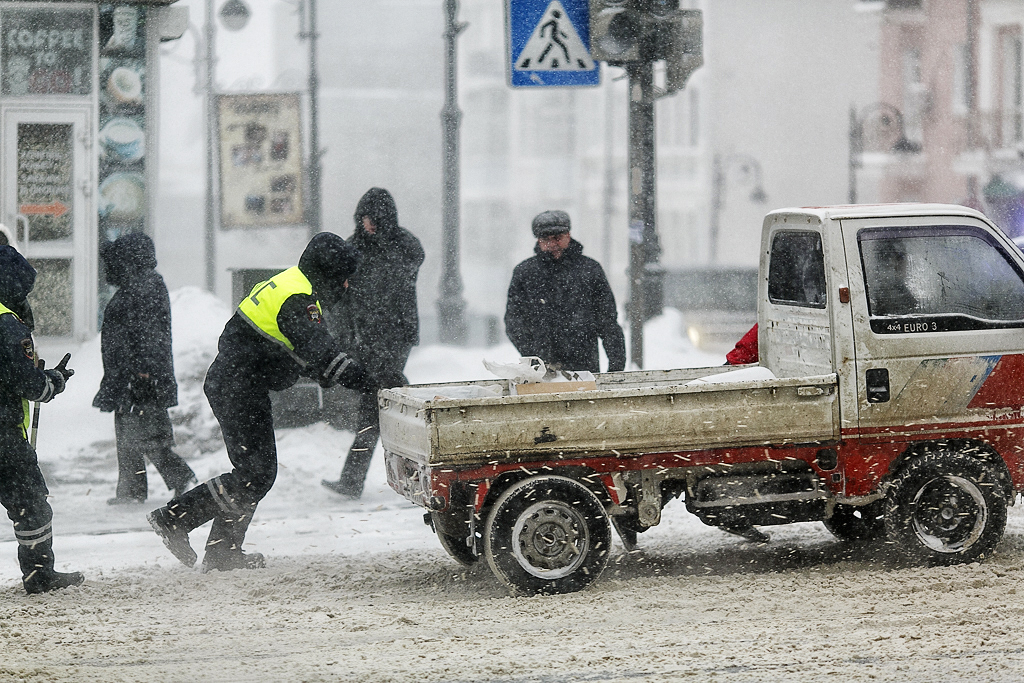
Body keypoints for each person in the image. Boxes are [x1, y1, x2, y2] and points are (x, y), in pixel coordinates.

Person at [147, 233, 377, 572]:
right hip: (238, 389)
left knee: (256, 472)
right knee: (255, 473)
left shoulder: (290, 283)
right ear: (327, 274)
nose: (345, 285)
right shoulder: (298, 299)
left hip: (238, 384)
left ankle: (223, 551)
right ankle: (174, 519)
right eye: (342, 277)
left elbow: (292, 349)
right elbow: (321, 352)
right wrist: (366, 381)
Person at [321, 188, 423, 499]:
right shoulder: (352, 250)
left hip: (394, 339)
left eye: (377, 220)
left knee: (385, 407)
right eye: (367, 219)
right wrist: (348, 338)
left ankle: (358, 479)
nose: (372, 226)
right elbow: (338, 300)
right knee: (387, 407)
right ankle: (416, 473)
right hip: (366, 341)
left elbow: (413, 261)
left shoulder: (402, 247)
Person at [0, 246, 82, 594]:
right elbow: (28, 382)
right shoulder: (6, 322)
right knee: (30, 501)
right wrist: (52, 382)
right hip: (3, 434)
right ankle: (39, 573)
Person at [94, 233, 197, 505]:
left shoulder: (145, 287)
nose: (110, 268)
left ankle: (181, 479)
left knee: (147, 434)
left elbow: (151, 335)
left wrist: (143, 371)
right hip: (129, 374)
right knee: (130, 434)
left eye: (116, 261)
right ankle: (132, 491)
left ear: (128, 261)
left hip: (140, 376)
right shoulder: (139, 286)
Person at [504, 210, 626, 374]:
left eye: (557, 238)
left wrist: (616, 366)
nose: (553, 244)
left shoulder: (590, 270)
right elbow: (514, 321)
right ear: (538, 241)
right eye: (546, 239)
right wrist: (534, 357)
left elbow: (607, 321)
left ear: (568, 235)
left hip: (584, 367)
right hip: (541, 371)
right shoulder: (525, 274)